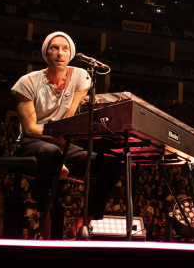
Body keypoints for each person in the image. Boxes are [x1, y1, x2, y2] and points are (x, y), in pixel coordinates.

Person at [11, 31, 122, 239]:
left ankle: (83, 222)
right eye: (54, 48)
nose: (60, 53)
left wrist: (62, 150)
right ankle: (46, 220)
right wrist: (58, 155)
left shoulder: (81, 76)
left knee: (113, 161)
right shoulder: (26, 83)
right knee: (50, 152)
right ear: (46, 53)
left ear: (71, 53)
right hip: (33, 142)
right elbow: (30, 128)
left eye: (65, 48)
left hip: (62, 141)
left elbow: (70, 118)